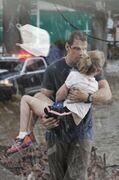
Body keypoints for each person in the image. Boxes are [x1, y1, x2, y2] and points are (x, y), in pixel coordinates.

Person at [16, 31, 110, 180]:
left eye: (85, 49)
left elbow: (107, 94)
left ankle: (25, 135)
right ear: (67, 47)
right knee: (56, 176)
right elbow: (42, 99)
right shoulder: (53, 69)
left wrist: (88, 97)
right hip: (56, 132)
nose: (82, 53)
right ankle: (25, 136)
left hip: (82, 133)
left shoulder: (91, 66)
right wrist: (44, 119)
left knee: (76, 177)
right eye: (77, 48)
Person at [6, 51, 105, 154]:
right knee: (38, 96)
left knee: (25, 99)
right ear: (98, 70)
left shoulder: (75, 76)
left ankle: (22, 137)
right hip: (74, 121)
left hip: (65, 117)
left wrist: (67, 90)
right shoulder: (95, 85)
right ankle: (29, 135)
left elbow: (58, 97)